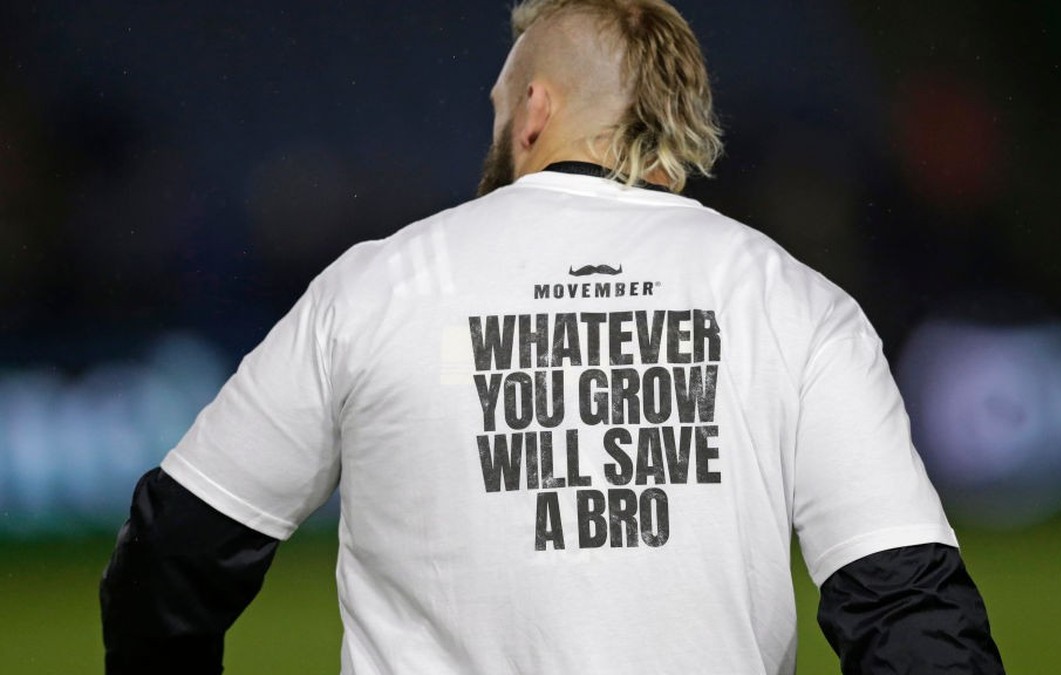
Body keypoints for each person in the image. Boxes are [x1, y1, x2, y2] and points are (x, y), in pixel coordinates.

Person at [100, 1, 1005, 673]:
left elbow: (170, 561)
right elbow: (912, 614)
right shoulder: (794, 302)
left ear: (533, 109)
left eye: (499, 106)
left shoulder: (378, 286)